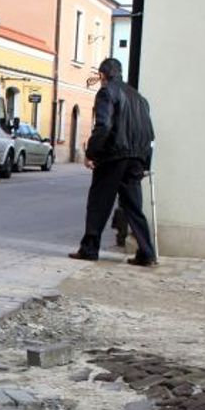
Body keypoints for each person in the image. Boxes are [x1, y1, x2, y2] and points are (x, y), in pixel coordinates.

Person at [69, 58, 157, 266]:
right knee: (134, 207)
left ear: (102, 75)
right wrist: (145, 164)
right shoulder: (140, 98)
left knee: (99, 203)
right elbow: (150, 134)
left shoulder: (107, 92)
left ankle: (89, 249)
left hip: (114, 156)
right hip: (136, 158)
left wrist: (92, 153)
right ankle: (146, 252)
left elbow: (104, 126)